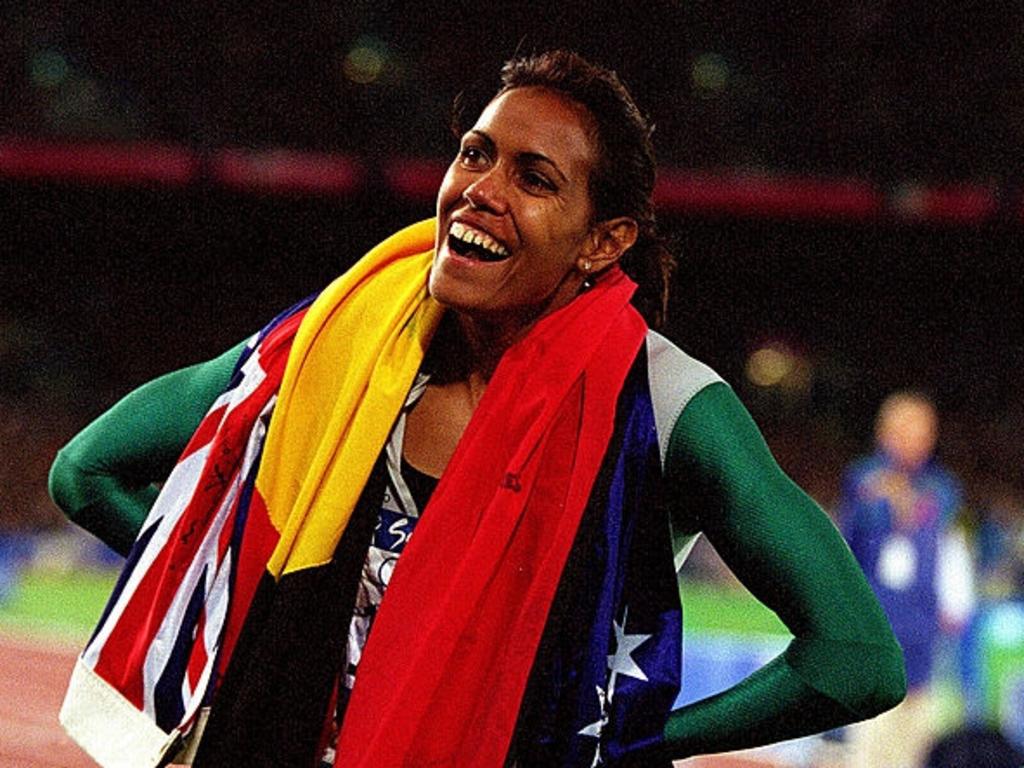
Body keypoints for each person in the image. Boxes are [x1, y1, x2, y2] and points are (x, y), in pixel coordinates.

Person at [49, 50, 905, 768]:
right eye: (475, 153)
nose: (481, 189)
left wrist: (621, 745)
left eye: (534, 178)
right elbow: (84, 472)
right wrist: (261, 615)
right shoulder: (338, 344)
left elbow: (857, 660)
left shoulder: (667, 405)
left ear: (604, 242)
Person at [840, 391, 970, 768]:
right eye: (907, 429)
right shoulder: (863, 480)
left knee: (916, 747)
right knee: (870, 747)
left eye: (925, 431)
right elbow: (850, 546)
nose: (917, 439)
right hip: (874, 629)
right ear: (885, 432)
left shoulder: (943, 488)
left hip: (922, 634)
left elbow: (949, 547)